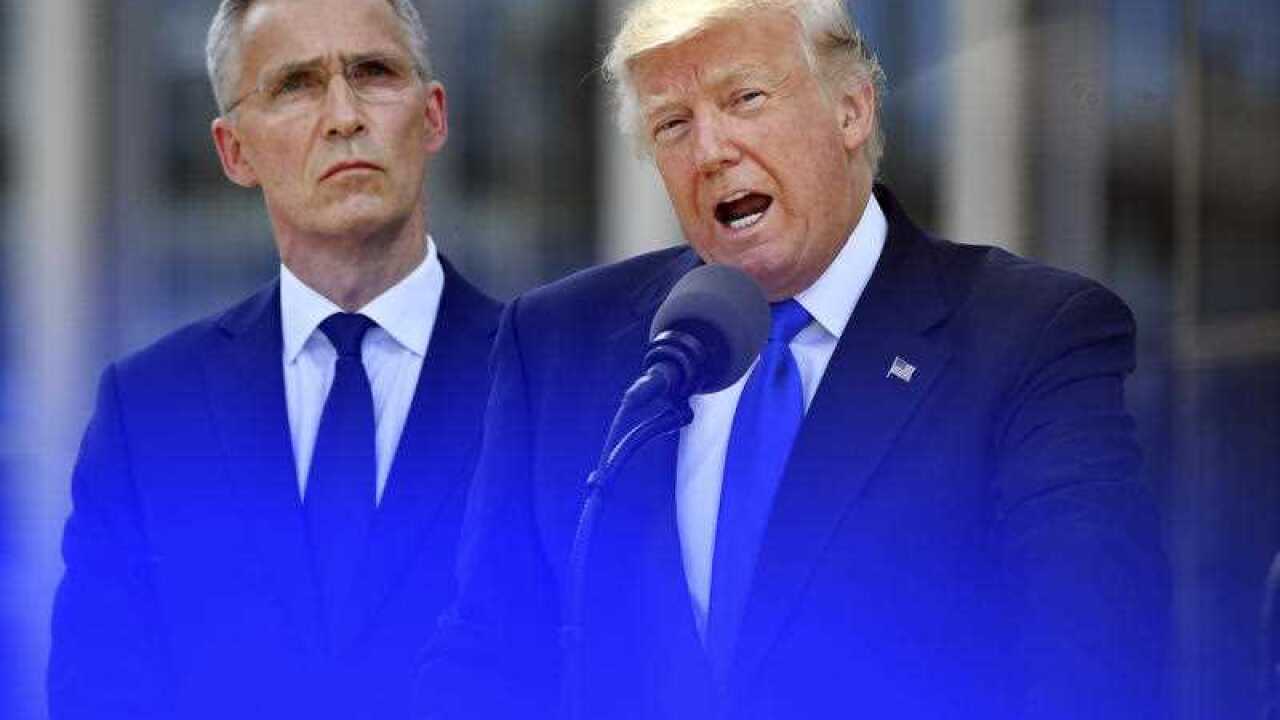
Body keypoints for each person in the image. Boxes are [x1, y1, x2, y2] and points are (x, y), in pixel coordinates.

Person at [418, 1, 1168, 718]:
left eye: (744, 98)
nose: (711, 150)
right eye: (673, 124)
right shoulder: (557, 347)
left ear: (853, 110)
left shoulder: (1030, 337)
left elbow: (1092, 670)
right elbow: (488, 658)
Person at [47, 1, 500, 718]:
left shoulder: (550, 385)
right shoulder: (149, 414)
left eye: (374, 72)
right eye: (296, 85)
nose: (345, 116)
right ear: (235, 152)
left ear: (434, 116)